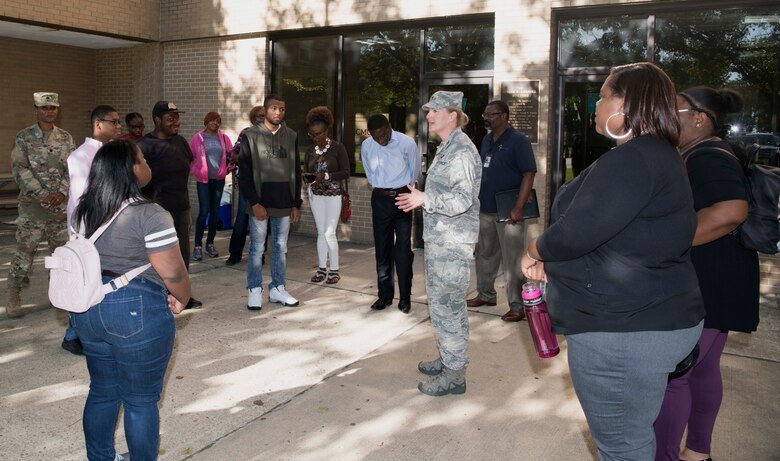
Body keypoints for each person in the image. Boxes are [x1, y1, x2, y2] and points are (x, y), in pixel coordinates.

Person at [520, 62, 705, 460]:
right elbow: (626, 236)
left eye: (602, 96)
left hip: (625, 330)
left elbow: (578, 231)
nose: (596, 107)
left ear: (626, 102)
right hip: (647, 318)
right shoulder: (656, 154)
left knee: (622, 446)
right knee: (631, 437)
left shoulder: (635, 159)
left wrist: (535, 250)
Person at [654, 87, 759, 461]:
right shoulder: (705, 151)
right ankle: (698, 451)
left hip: (708, 284)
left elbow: (731, 211)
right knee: (701, 370)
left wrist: (667, 243)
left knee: (673, 376)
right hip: (722, 279)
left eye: (674, 108)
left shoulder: (706, 156)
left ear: (699, 118)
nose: (666, 114)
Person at [70, 139, 190, 461]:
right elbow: (174, 274)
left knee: (103, 390)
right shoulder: (150, 214)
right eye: (141, 158)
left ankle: (101, 458)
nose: (146, 163)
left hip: (88, 309)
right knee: (139, 401)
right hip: (134, 313)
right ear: (131, 170)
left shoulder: (84, 211)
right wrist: (183, 298)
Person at [396, 91, 481, 396]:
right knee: (442, 307)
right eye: (428, 111)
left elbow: (462, 199)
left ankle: (455, 374)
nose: (428, 116)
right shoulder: (448, 147)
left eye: (434, 111)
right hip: (441, 241)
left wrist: (424, 198)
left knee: (449, 307)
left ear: (452, 115)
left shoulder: (461, 151)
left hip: (452, 245)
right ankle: (449, 360)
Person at [7, 93, 73, 331]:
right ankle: (14, 295)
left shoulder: (65, 137)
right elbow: (20, 170)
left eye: (53, 108)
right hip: (33, 208)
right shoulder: (24, 137)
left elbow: (71, 169)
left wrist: (63, 193)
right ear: (36, 108)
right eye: (44, 108)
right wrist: (43, 194)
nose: (49, 111)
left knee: (60, 256)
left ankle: (60, 298)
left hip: (59, 208)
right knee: (25, 253)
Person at [467, 100, 537, 322]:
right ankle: (486, 294)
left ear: (504, 115)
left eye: (492, 114)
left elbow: (529, 173)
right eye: (485, 113)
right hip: (486, 207)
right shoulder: (487, 139)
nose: (486, 117)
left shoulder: (518, 141)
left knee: (513, 259)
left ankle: (518, 305)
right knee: (485, 253)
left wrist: (518, 206)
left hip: (509, 212)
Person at [238, 94, 302, 310]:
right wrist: (254, 203)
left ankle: (277, 288)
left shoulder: (291, 136)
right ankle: (254, 289)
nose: (278, 112)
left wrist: (296, 204)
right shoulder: (251, 135)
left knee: (280, 247)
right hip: (260, 204)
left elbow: (296, 171)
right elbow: (244, 173)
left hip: (284, 202)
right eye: (274, 108)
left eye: (282, 109)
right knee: (256, 248)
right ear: (265, 110)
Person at [138, 101, 202, 310]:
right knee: (158, 257)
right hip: (156, 213)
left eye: (177, 117)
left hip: (181, 209)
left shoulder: (181, 142)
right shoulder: (144, 146)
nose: (176, 121)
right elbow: (136, 180)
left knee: (182, 254)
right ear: (157, 120)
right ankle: (158, 296)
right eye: (170, 118)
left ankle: (182, 296)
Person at [361, 114, 420, 314]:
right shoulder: (367, 146)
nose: (381, 139)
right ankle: (384, 296)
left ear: (389, 127)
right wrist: (382, 188)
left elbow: (414, 172)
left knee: (402, 250)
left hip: (403, 197)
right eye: (376, 136)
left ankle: (405, 298)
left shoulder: (406, 143)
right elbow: (369, 172)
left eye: (383, 134)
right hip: (379, 199)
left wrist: (405, 192)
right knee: (382, 249)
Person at [303, 106, 350, 284]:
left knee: (330, 232)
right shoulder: (309, 150)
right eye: (312, 135)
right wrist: (308, 179)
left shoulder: (338, 148)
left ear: (326, 130)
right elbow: (307, 171)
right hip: (316, 194)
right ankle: (322, 269)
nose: (316, 138)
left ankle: (335, 270)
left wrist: (328, 176)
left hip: (333, 194)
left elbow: (346, 172)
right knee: (321, 232)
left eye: (319, 134)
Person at [189, 111, 233, 261]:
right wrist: (197, 171)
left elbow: (231, 156)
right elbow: (190, 157)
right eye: (212, 121)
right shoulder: (198, 138)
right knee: (204, 211)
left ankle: (210, 243)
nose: (215, 123)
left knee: (215, 212)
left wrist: (227, 169)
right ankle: (197, 246)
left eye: (218, 121)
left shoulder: (224, 138)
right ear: (206, 122)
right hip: (203, 181)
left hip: (218, 180)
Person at [226, 105, 264, 266]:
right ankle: (235, 254)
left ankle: (259, 254)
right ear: (253, 118)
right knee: (242, 217)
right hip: (246, 181)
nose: (261, 119)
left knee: (260, 220)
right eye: (258, 116)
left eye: (263, 115)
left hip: (264, 183)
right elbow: (233, 155)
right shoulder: (246, 133)